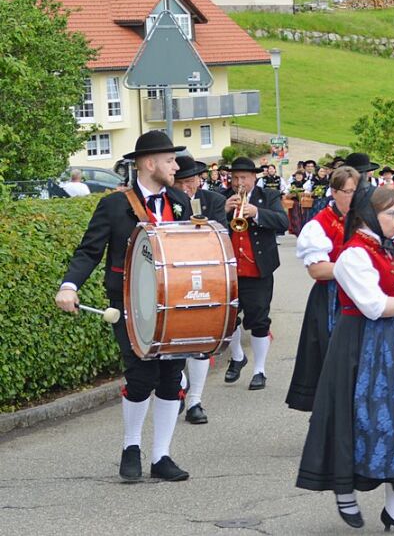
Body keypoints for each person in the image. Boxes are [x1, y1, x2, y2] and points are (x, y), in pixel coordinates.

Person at [296, 185, 394, 534]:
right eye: (393, 214)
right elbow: (375, 306)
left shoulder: (393, 246)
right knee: (364, 420)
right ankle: (344, 489)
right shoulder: (353, 255)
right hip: (362, 342)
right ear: (369, 216)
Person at [54, 130, 193, 482]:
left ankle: (161, 456)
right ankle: (131, 447)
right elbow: (89, 251)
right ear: (149, 164)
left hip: (172, 305)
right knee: (141, 375)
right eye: (169, 160)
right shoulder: (114, 205)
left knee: (171, 378)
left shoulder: (180, 202)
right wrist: (69, 286)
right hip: (130, 303)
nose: (176, 166)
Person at [288, 166, 360, 412]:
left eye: (355, 191)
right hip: (331, 300)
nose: (352, 196)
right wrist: (354, 268)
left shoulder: (365, 218)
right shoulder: (319, 224)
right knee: (333, 359)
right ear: (333, 192)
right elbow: (317, 270)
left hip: (362, 295)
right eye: (347, 191)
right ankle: (330, 419)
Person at [222, 157, 289, 391]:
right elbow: (206, 226)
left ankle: (259, 369)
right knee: (226, 319)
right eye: (235, 178)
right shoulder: (222, 198)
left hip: (258, 269)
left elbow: (283, 222)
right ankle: (238, 356)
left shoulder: (268, 197)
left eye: (244, 178)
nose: (239, 183)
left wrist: (257, 212)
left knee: (259, 320)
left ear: (254, 178)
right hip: (228, 271)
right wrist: (224, 211)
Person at [173, 154, 229, 426]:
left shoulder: (214, 201)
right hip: (173, 277)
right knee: (174, 337)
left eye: (191, 180)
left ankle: (195, 400)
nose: (187, 187)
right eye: (181, 182)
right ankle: (180, 382)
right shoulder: (166, 202)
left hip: (205, 275)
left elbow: (222, 235)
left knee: (199, 341)